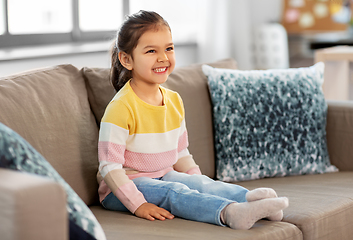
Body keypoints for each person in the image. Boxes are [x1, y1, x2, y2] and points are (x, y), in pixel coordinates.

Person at [97, 10, 288, 230]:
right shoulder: (121, 107)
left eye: (169, 48)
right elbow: (109, 167)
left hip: (163, 175)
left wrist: (198, 183)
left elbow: (180, 153)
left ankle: (252, 200)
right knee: (175, 192)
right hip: (121, 189)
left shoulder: (174, 100)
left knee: (198, 182)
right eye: (151, 51)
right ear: (126, 59)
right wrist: (138, 205)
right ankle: (229, 213)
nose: (163, 57)